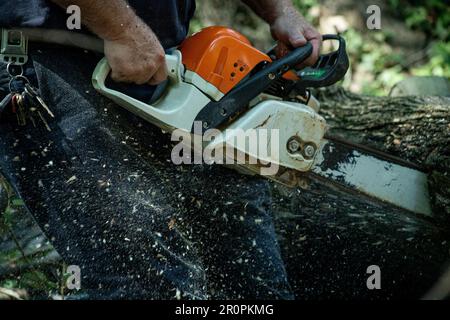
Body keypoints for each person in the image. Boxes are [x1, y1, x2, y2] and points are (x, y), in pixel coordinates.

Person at [0, 0, 321, 299]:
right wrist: (120, 29)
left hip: (170, 62)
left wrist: (280, 11)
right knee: (146, 281)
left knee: (250, 273)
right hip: (51, 60)